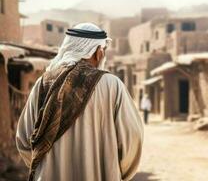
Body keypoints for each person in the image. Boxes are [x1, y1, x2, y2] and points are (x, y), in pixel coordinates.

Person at [16, 23, 144, 181]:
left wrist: (47, 167)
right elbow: (132, 139)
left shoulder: (43, 84)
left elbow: (24, 139)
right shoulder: (112, 85)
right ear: (98, 53)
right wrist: (112, 170)